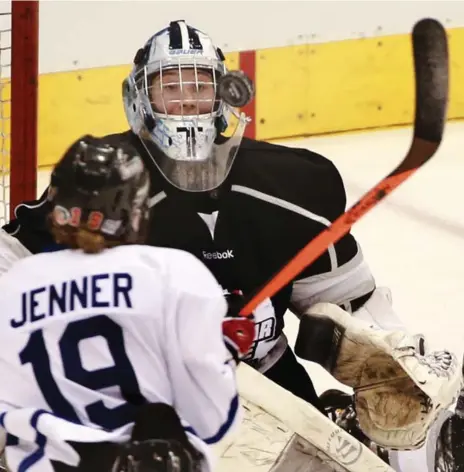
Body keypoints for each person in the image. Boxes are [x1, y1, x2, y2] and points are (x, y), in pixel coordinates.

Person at [0, 20, 461, 470]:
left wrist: (391, 360)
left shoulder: (293, 181)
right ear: (140, 97)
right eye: (171, 88)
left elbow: (349, 306)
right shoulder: (103, 184)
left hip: (272, 388)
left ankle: (345, 425)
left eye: (199, 88)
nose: (186, 102)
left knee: (440, 422)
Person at [0, 135, 252, 472]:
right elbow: (213, 423)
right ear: (137, 209)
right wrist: (226, 350)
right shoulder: (175, 274)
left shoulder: (12, 286)